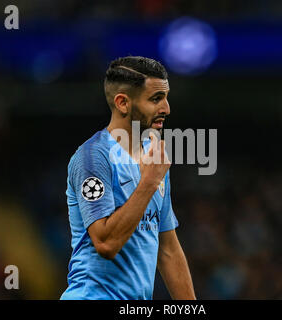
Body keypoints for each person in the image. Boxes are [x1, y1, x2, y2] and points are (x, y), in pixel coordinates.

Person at [60, 56, 195, 300]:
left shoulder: (154, 157)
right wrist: (149, 183)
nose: (167, 108)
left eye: (165, 97)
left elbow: (168, 249)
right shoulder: (92, 158)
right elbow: (105, 244)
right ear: (123, 103)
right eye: (156, 99)